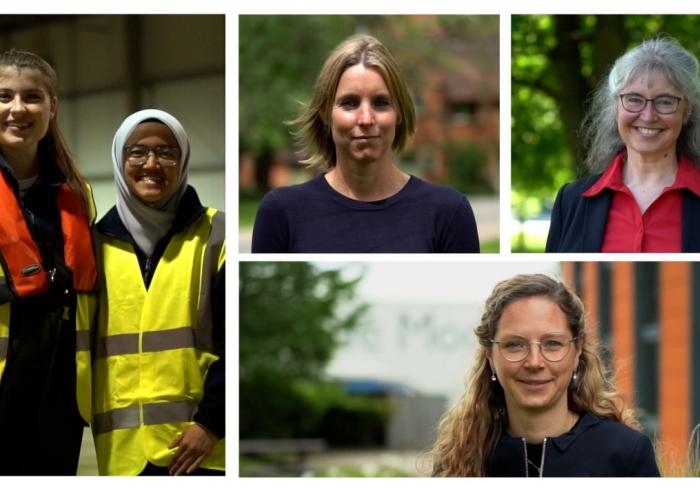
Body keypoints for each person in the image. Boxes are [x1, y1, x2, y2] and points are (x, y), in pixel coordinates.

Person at [252, 34, 480, 253]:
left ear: (399, 113)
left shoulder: (448, 211)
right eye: (349, 103)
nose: (366, 119)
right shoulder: (281, 212)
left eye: (380, 103)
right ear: (325, 114)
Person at [91, 109, 225, 475]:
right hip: (123, 457)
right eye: (137, 152)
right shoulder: (93, 244)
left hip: (199, 453)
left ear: (182, 162)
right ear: (120, 160)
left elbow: (241, 341)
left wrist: (211, 424)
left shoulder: (216, 235)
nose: (152, 163)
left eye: (167, 152)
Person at [431, 274, 660, 477]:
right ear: (490, 355)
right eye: (515, 345)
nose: (534, 362)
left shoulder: (626, 453)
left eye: (552, 344)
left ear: (577, 350)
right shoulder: (458, 459)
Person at [0, 49, 96, 475]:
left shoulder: (76, 195)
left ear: (52, 107)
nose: (17, 109)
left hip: (59, 387)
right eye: (4, 96)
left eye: (32, 97)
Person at [546, 37, 700, 252]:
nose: (648, 116)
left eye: (665, 101)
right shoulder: (570, 202)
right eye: (634, 99)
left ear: (687, 112)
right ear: (615, 107)